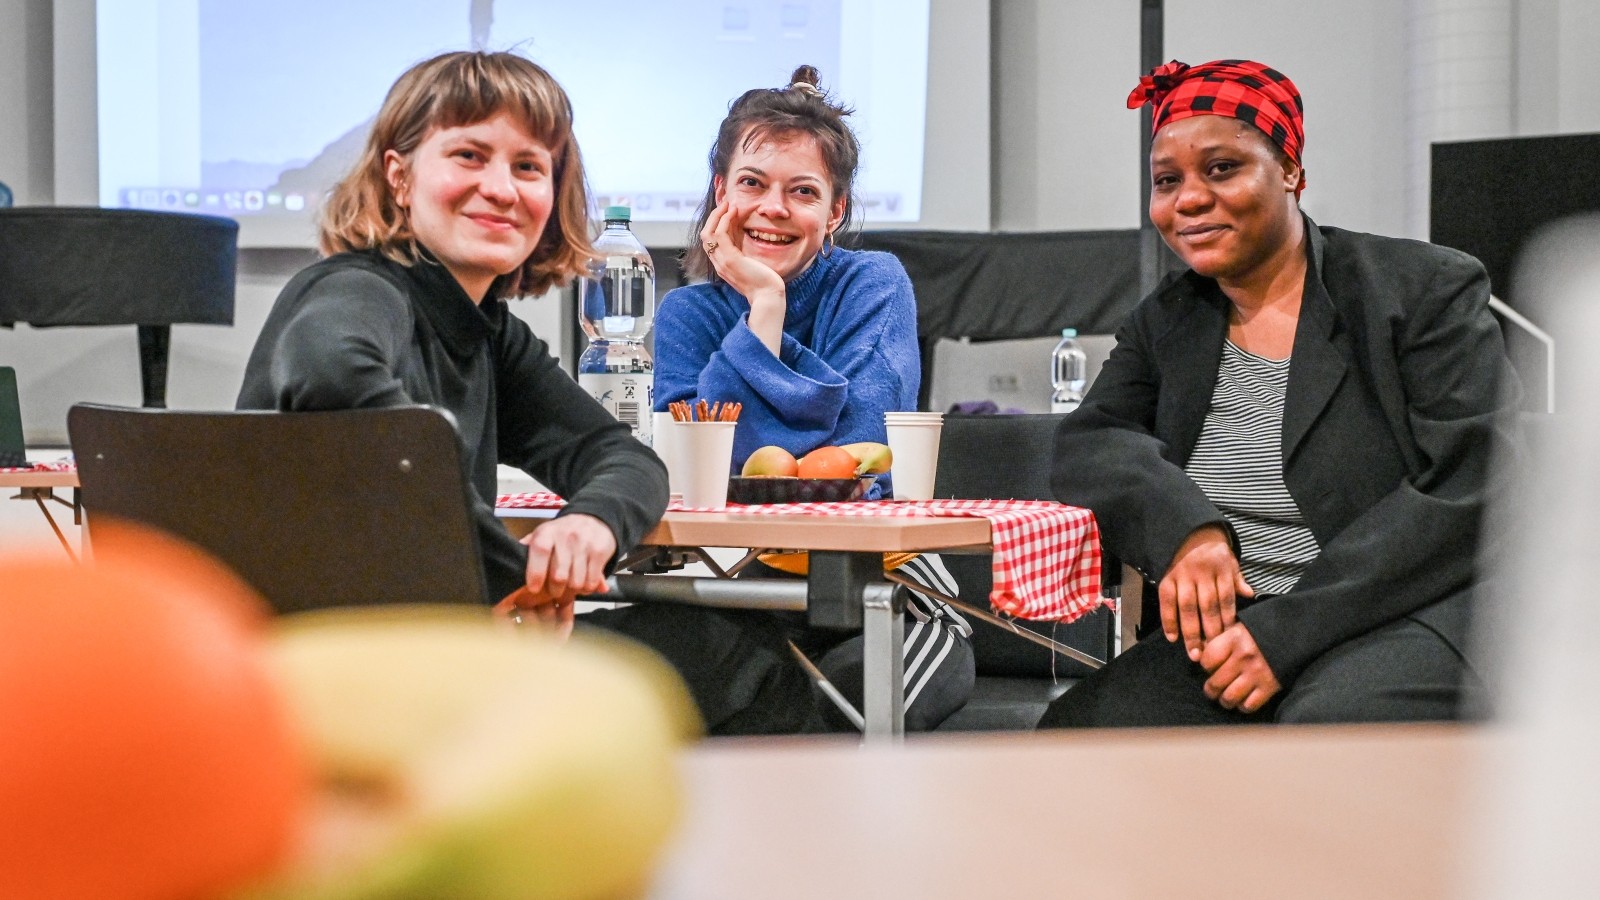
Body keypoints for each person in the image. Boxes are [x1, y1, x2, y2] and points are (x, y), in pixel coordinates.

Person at [1038, 59, 1519, 728]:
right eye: (1166, 181)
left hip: (1403, 615)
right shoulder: (1167, 320)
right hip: (1235, 630)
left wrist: (1288, 633)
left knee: (1325, 743)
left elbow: (1474, 484)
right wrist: (1186, 531)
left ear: (1292, 170)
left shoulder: (1421, 289)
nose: (1190, 199)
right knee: (1082, 733)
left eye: (1222, 168)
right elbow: (1091, 441)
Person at [237, 51, 667, 635]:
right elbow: (330, 375)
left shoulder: (488, 333)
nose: (500, 189)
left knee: (727, 649)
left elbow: (624, 457)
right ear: (399, 176)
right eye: (469, 155)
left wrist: (590, 524)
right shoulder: (356, 287)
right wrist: (512, 581)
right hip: (333, 675)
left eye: (528, 167)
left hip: (433, 651)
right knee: (735, 663)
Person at [642, 65, 976, 732]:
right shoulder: (684, 314)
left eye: (802, 191)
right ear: (720, 194)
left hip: (887, 592)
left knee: (838, 716)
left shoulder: (874, 283)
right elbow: (706, 473)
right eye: (752, 184)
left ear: (836, 211)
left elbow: (855, 464)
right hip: (741, 593)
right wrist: (763, 310)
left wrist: (762, 325)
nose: (773, 208)